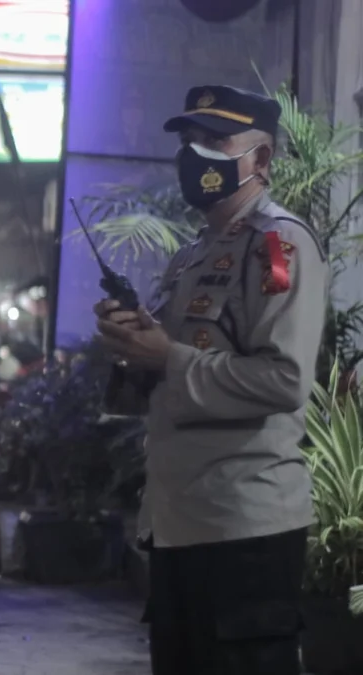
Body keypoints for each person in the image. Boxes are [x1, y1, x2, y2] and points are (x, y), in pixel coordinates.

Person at [95, 85, 328, 675]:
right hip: (180, 521)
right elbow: (166, 369)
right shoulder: (193, 254)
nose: (197, 153)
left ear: (262, 160)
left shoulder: (279, 245)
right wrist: (132, 347)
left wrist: (167, 357)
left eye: (217, 140)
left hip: (243, 526)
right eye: (189, 139)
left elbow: (284, 380)